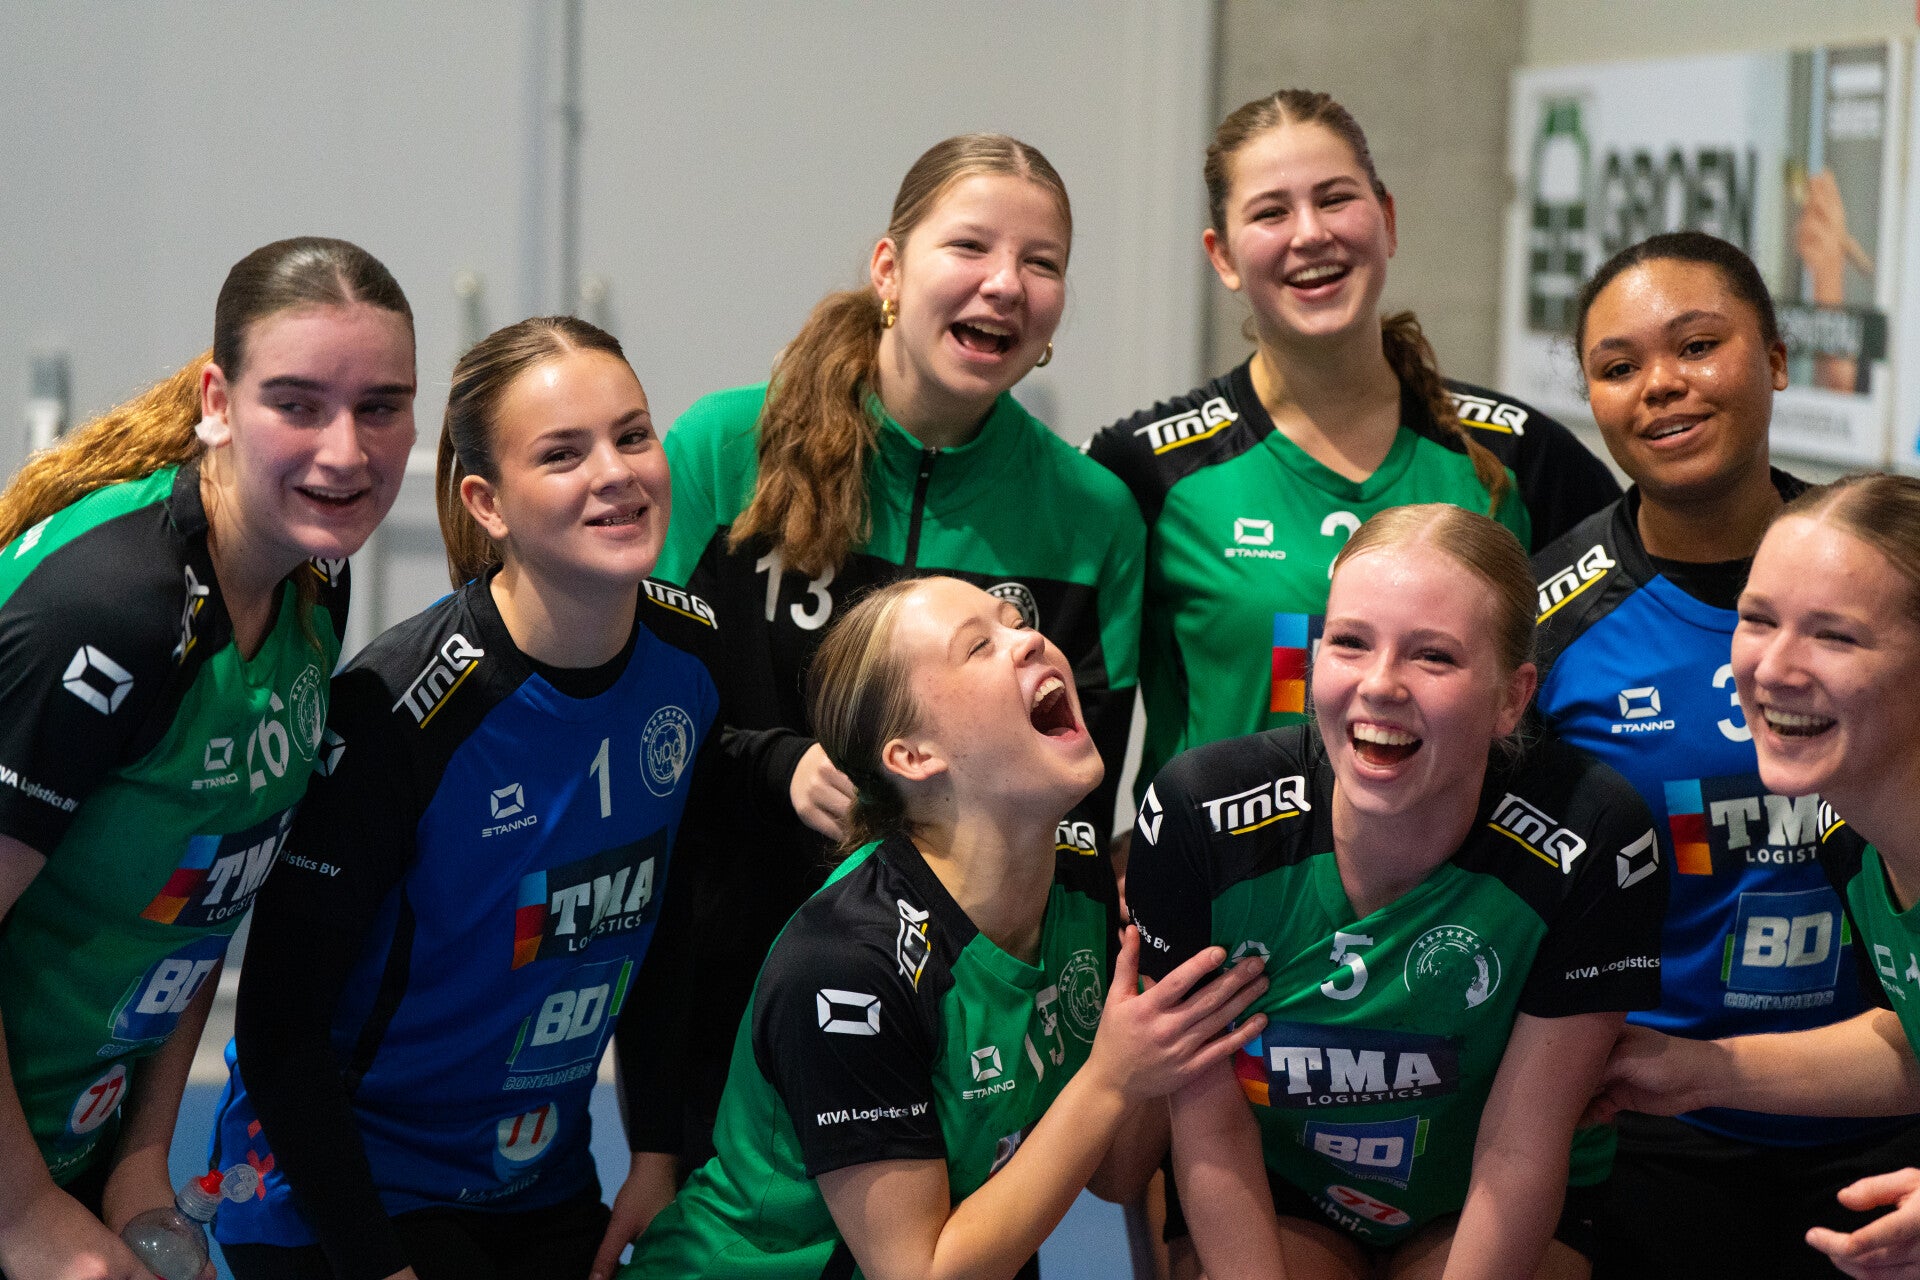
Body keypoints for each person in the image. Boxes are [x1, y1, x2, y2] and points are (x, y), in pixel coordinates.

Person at [208, 317, 790, 1280]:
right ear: (487, 503)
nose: (616, 473)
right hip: (342, 1194)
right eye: (563, 454)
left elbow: (661, 920)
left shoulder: (690, 655)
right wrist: (378, 1266)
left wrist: (654, 1149)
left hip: (536, 1182)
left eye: (632, 435)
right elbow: (277, 1031)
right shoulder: (397, 712)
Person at [652, 133, 1146, 1162]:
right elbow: (648, 729)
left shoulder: (1092, 514)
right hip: (729, 998)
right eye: (970, 246)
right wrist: (778, 766)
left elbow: (1073, 810)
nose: (1005, 284)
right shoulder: (721, 451)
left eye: (1042, 262)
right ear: (890, 268)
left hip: (969, 1040)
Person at [625, 575, 1266, 1279]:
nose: (1030, 640)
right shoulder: (846, 966)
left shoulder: (1076, 875)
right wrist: (1114, 1078)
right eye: (979, 646)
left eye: (1016, 621)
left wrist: (1156, 1023)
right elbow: (919, 1273)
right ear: (912, 756)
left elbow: (1115, 1173)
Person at [0, 237, 416, 1280]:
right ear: (218, 403)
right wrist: (23, 1212)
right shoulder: (111, 614)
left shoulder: (310, 581)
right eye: (299, 404)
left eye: (381, 406)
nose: (346, 452)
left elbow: (207, 891)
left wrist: (141, 1157)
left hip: (71, 1148)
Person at [1128, 504, 1667, 1279]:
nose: (1380, 685)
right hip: (1279, 1179)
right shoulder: (1197, 813)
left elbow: (1520, 1149)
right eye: (1349, 642)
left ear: (1513, 698)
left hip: (1476, 1189)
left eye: (1433, 657)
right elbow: (1210, 1128)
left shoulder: (1594, 832)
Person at [1531, 231, 1920, 1278]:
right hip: (1659, 1128)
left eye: (1698, 344)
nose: (1662, 384)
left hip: (1880, 1126)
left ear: (1778, 359)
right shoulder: (1546, 618)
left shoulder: (1885, 560)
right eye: (1619, 365)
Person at [1085, 88, 1620, 803]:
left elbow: (1616, 673)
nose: (1310, 234)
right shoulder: (1147, 469)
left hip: (1461, 874)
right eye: (1271, 212)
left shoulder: (1520, 457)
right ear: (1223, 256)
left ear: (1387, 220)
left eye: (1335, 199)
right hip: (1219, 874)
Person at [1588, 473, 1920, 1277]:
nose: (1774, 668)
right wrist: (1701, 1071)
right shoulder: (1858, 841)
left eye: (1834, 637)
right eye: (1758, 619)